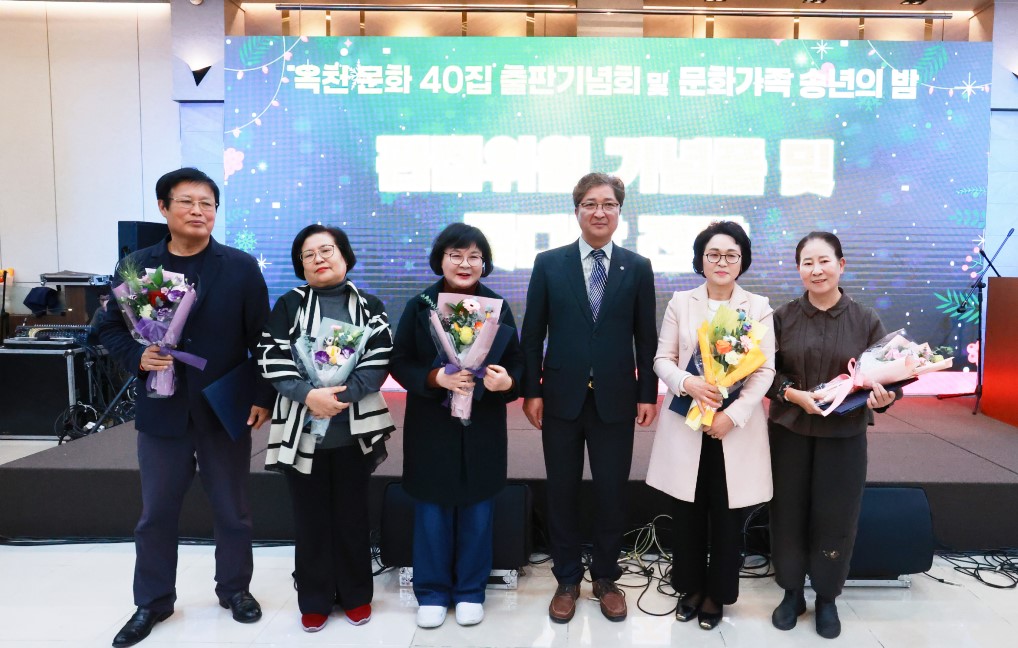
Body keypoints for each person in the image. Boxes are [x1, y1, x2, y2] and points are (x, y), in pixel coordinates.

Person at [98, 168, 275, 648]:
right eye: (187, 202)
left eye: (207, 204)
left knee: (233, 510)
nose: (199, 211)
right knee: (155, 513)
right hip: (162, 407)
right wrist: (139, 357)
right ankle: (153, 601)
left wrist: (262, 396)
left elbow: (263, 338)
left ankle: (235, 590)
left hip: (224, 407)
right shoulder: (137, 266)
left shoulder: (240, 267)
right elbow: (107, 328)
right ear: (163, 208)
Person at [520, 172, 658, 623]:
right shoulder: (549, 263)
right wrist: (531, 390)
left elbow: (646, 337)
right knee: (561, 491)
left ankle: (605, 577)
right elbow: (532, 334)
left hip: (616, 398)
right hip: (560, 396)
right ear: (576, 210)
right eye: (591, 204)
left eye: (609, 204)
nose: (600, 212)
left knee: (612, 493)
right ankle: (566, 579)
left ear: (620, 211)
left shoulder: (637, 266)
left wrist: (647, 393)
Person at [257, 224, 395, 632]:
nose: (318, 259)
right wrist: (308, 395)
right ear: (300, 265)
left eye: (327, 250)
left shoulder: (369, 305)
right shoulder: (289, 304)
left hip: (353, 427)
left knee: (352, 516)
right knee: (310, 518)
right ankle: (314, 598)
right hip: (302, 427)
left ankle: (356, 595)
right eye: (308, 254)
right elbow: (270, 356)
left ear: (344, 255)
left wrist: (342, 395)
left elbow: (380, 357)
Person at [389, 223, 523, 628]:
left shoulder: (497, 306)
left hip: (482, 423)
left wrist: (507, 381)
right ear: (441, 260)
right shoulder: (421, 306)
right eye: (456, 255)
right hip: (432, 424)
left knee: (479, 506)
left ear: (485, 263)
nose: (465, 264)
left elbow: (516, 363)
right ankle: (431, 591)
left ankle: (470, 590)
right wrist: (435, 378)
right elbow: (400, 361)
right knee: (431, 506)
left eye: (474, 257)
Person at [767, 231, 900, 640]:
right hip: (790, 431)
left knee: (837, 515)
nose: (816, 270)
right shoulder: (782, 317)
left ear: (841, 265)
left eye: (824, 261)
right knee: (787, 511)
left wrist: (884, 398)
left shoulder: (865, 320)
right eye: (807, 263)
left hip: (844, 435)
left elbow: (890, 376)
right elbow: (765, 373)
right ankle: (791, 592)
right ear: (798, 269)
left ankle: (827, 596)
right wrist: (792, 394)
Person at [645, 221, 774, 630]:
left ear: (742, 261)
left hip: (733, 429)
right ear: (700, 260)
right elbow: (661, 359)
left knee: (726, 515)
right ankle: (689, 588)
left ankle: (717, 594)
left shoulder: (758, 306)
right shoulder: (681, 302)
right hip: (688, 422)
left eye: (731, 255)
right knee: (687, 512)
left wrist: (731, 416)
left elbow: (765, 370)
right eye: (713, 254)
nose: (722, 262)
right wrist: (688, 383)